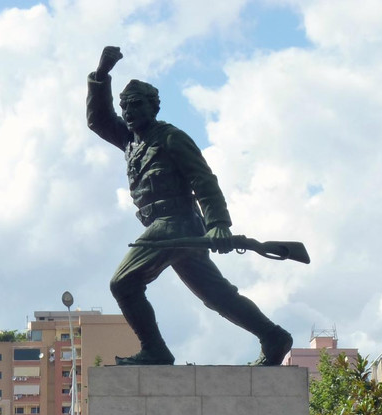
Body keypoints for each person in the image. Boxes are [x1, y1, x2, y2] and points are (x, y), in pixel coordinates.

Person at [86, 45, 293, 368]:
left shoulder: (170, 138)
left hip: (176, 223)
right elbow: (98, 120)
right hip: (170, 232)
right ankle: (273, 336)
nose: (129, 111)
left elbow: (203, 180)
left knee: (123, 283)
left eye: (137, 104)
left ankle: (155, 350)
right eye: (125, 106)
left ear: (154, 107)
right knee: (217, 296)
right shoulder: (130, 142)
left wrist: (219, 224)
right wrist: (101, 75)